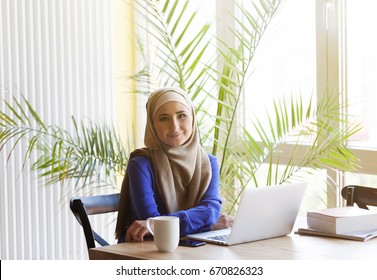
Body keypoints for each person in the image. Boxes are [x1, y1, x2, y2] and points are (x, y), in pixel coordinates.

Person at [115, 87, 233, 242]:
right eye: (163, 118)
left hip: (190, 249)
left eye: (182, 115)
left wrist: (158, 224)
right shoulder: (141, 164)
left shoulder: (209, 163)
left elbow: (210, 210)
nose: (174, 126)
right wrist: (208, 225)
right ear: (152, 124)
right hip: (146, 252)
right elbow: (152, 222)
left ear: (192, 118)